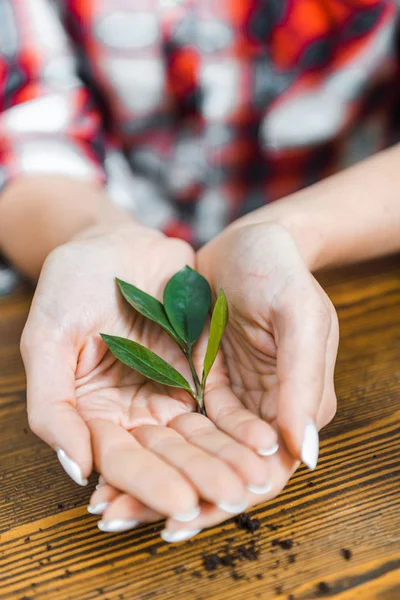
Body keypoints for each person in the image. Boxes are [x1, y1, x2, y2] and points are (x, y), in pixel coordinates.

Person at [0, 0, 399, 542]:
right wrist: (93, 236)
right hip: (106, 215)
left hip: (356, 259)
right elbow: (30, 133)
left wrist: (295, 232)